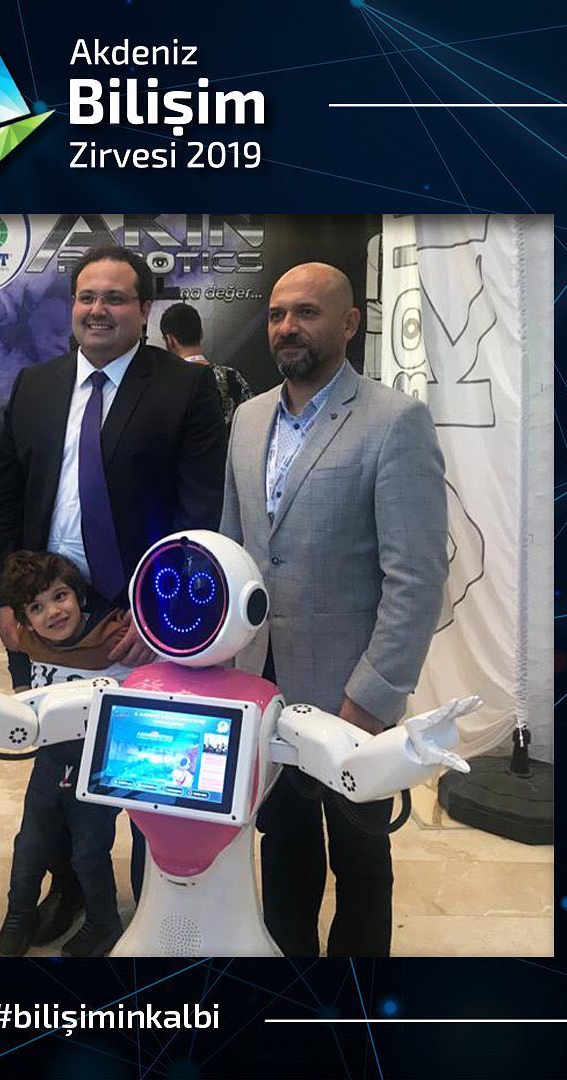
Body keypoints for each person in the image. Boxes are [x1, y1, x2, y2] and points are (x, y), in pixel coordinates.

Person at [0, 245, 226, 925]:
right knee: (63, 767)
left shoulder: (184, 388)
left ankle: (156, 903)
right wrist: (6, 602)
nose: (98, 310)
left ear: (144, 310)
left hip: (137, 618)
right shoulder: (36, 385)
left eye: (115, 298)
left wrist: (157, 620)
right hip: (49, 614)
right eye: (87, 296)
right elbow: (5, 496)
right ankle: (72, 892)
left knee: (150, 770)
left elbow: (198, 515)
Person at [220, 262, 448, 957]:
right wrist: (226, 669)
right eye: (276, 314)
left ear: (350, 323)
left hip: (353, 701)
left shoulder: (394, 421)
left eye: (307, 312)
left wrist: (370, 700)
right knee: (284, 852)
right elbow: (234, 550)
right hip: (264, 691)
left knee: (361, 864)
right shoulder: (247, 419)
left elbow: (416, 577)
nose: (287, 327)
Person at [0, 550, 132, 957]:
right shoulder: (30, 640)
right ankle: (19, 911)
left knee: (89, 850)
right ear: (25, 619)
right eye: (37, 607)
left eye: (60, 596)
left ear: (78, 595)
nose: (53, 612)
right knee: (30, 843)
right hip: (51, 760)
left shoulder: (114, 639)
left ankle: (103, 921)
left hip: (99, 767)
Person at [159, 302, 254, 426]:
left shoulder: (163, 384)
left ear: (170, 340)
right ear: (201, 333)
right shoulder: (232, 377)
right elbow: (253, 422)